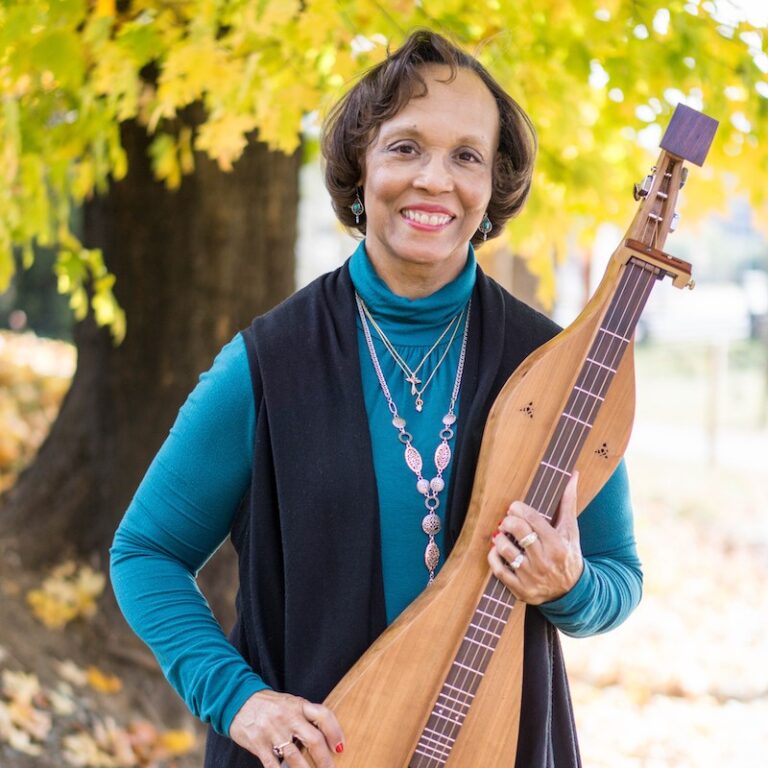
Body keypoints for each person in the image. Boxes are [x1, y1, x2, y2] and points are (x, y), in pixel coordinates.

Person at [111, 30, 642, 768]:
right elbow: (145, 552)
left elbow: (620, 575)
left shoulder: (554, 369)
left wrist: (570, 584)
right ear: (360, 169)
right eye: (404, 147)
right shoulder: (266, 365)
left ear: (494, 185)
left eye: (466, 155)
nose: (435, 179)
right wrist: (236, 699)